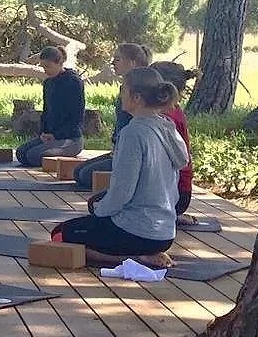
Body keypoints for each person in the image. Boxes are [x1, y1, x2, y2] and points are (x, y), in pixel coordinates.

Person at [51, 66, 188, 266]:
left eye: (123, 90)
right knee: (97, 207)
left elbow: (123, 191)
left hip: (136, 231)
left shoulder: (133, 133)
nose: (120, 95)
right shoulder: (167, 127)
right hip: (166, 233)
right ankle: (146, 253)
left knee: (59, 234)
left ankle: (136, 258)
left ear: (137, 97)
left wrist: (100, 213)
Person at [73, 43, 152, 191]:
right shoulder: (125, 86)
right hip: (119, 148)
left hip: (132, 153)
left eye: (118, 59)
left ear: (132, 62)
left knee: (85, 175)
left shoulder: (142, 88)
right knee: (77, 172)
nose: (113, 63)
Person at [151, 61, 212, 231]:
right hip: (177, 193)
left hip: (176, 194)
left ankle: (171, 213)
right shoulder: (171, 111)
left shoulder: (165, 118)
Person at [15, 46, 86, 168]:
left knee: (33, 156)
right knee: (21, 153)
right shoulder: (48, 83)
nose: (45, 71)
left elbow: (77, 117)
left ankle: (61, 153)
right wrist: (43, 132)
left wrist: (56, 135)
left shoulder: (74, 82)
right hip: (50, 136)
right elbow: (46, 111)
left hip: (70, 138)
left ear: (59, 63)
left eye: (48, 67)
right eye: (43, 67)